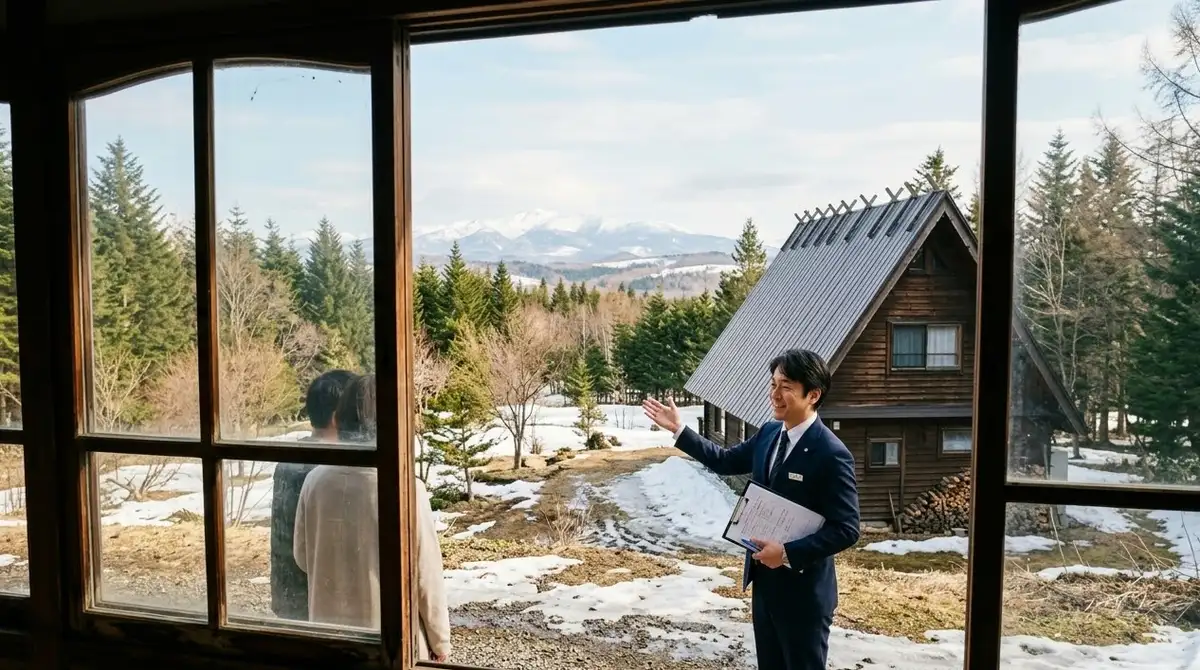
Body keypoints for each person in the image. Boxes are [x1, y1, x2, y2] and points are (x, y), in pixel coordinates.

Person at [643, 349, 860, 670]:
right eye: (773, 385)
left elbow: (847, 528)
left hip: (803, 595)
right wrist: (679, 430)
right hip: (764, 583)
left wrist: (787, 552)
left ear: (813, 394)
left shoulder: (831, 454)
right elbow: (724, 461)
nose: (774, 395)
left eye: (785, 387)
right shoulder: (771, 433)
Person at [293, 374, 452, 662]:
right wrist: (440, 644)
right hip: (391, 645)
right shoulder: (405, 487)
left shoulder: (314, 480)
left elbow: (303, 558)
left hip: (329, 642)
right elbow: (426, 576)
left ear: (339, 421)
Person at [270, 368, 356, 620]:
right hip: (320, 602)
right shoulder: (328, 468)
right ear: (336, 417)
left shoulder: (291, 459)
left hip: (288, 596)